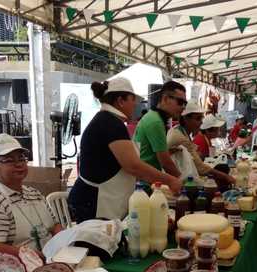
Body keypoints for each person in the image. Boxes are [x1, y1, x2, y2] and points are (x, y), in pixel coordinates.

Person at [68, 78, 181, 223]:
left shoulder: (108, 120)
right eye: (132, 99)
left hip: (100, 198)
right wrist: (170, 180)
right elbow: (133, 165)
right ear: (120, 101)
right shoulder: (110, 124)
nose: (136, 104)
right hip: (95, 202)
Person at [0, 134, 63, 259]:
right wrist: (32, 256)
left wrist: (63, 242)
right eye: (9, 160)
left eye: (21, 159)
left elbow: (54, 225)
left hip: (49, 262)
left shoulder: (34, 194)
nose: (19, 164)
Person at [167, 103, 235, 186]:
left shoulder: (179, 131)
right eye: (198, 119)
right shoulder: (180, 137)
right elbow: (200, 168)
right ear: (186, 119)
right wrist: (226, 176)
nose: (201, 123)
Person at [134, 80, 187, 178]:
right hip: (144, 182)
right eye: (180, 102)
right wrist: (184, 182)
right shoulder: (156, 121)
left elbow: (148, 152)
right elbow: (166, 163)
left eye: (185, 103)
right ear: (166, 99)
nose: (183, 107)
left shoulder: (153, 116)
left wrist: (168, 151)